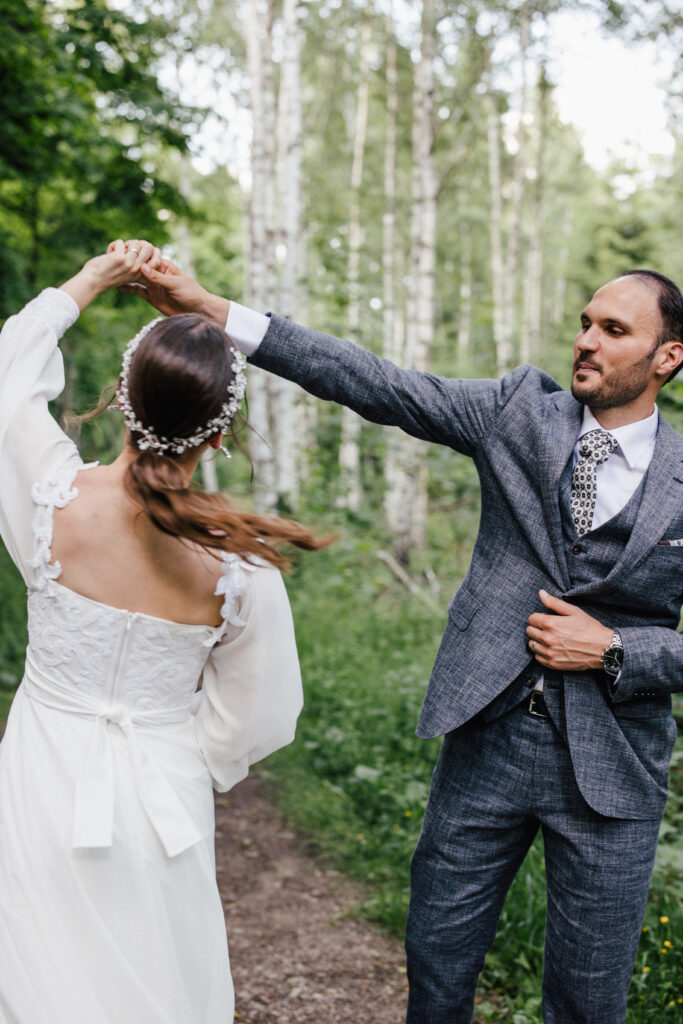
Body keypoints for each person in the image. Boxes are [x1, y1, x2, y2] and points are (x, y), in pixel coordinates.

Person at [128, 246, 683, 1024]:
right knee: (436, 965)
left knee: (588, 1003)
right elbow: (373, 382)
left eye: (613, 329)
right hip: (485, 741)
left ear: (666, 356)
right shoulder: (516, 412)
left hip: (612, 769)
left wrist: (617, 649)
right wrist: (213, 309)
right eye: (583, 323)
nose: (586, 340)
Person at [0, 241, 325, 1024]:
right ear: (217, 436)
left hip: (44, 769)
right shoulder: (241, 573)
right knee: (155, 975)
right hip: (162, 798)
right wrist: (182, 751)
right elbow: (260, 718)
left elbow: (9, 366)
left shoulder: (48, 498)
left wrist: (94, 278)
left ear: (121, 397)